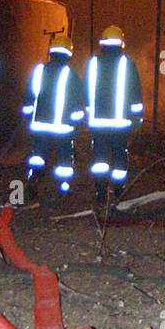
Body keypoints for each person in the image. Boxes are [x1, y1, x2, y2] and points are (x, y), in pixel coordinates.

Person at [85, 24, 143, 204]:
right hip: (120, 123)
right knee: (119, 156)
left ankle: (100, 192)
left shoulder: (93, 63)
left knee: (100, 158)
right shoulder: (128, 64)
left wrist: (86, 115)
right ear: (121, 43)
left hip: (98, 122)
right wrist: (137, 118)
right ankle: (118, 192)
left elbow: (86, 91)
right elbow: (135, 93)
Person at [22, 34, 84, 198]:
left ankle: (33, 180)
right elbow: (78, 103)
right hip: (63, 127)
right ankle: (63, 188)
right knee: (64, 159)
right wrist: (78, 125)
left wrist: (29, 118)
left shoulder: (40, 70)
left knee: (38, 156)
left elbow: (29, 96)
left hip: (41, 124)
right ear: (69, 53)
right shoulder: (71, 74)